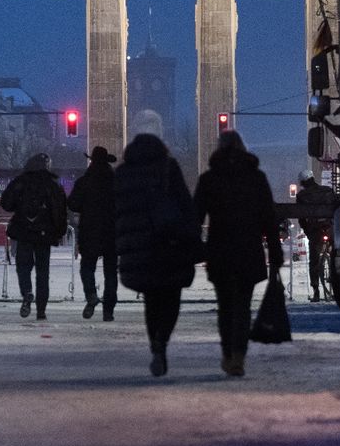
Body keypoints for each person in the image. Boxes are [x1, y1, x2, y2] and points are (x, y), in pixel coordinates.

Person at [193, 130, 283, 377]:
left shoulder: (209, 179)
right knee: (243, 305)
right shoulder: (257, 178)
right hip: (248, 250)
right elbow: (269, 219)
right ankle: (238, 356)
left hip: (220, 251)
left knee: (225, 306)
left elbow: (195, 217)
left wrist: (194, 249)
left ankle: (227, 353)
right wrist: (275, 252)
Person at [113, 133, 198, 376]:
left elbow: (115, 209)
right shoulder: (168, 168)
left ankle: (155, 346)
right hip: (169, 244)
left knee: (152, 300)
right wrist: (190, 234)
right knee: (171, 298)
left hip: (139, 248)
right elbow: (185, 203)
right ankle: (163, 341)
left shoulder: (122, 173)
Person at [0, 154, 68, 318]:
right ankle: (41, 311)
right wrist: (59, 232)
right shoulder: (52, 184)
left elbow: (6, 204)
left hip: (24, 233)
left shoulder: (21, 181)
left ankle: (27, 292)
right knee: (42, 273)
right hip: (44, 235)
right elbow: (60, 210)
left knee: (23, 267)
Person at [67, 145, 119, 320]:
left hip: (90, 231)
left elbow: (73, 204)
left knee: (87, 267)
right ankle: (108, 311)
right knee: (110, 272)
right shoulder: (116, 181)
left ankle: (91, 295)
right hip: (112, 231)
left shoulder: (84, 182)